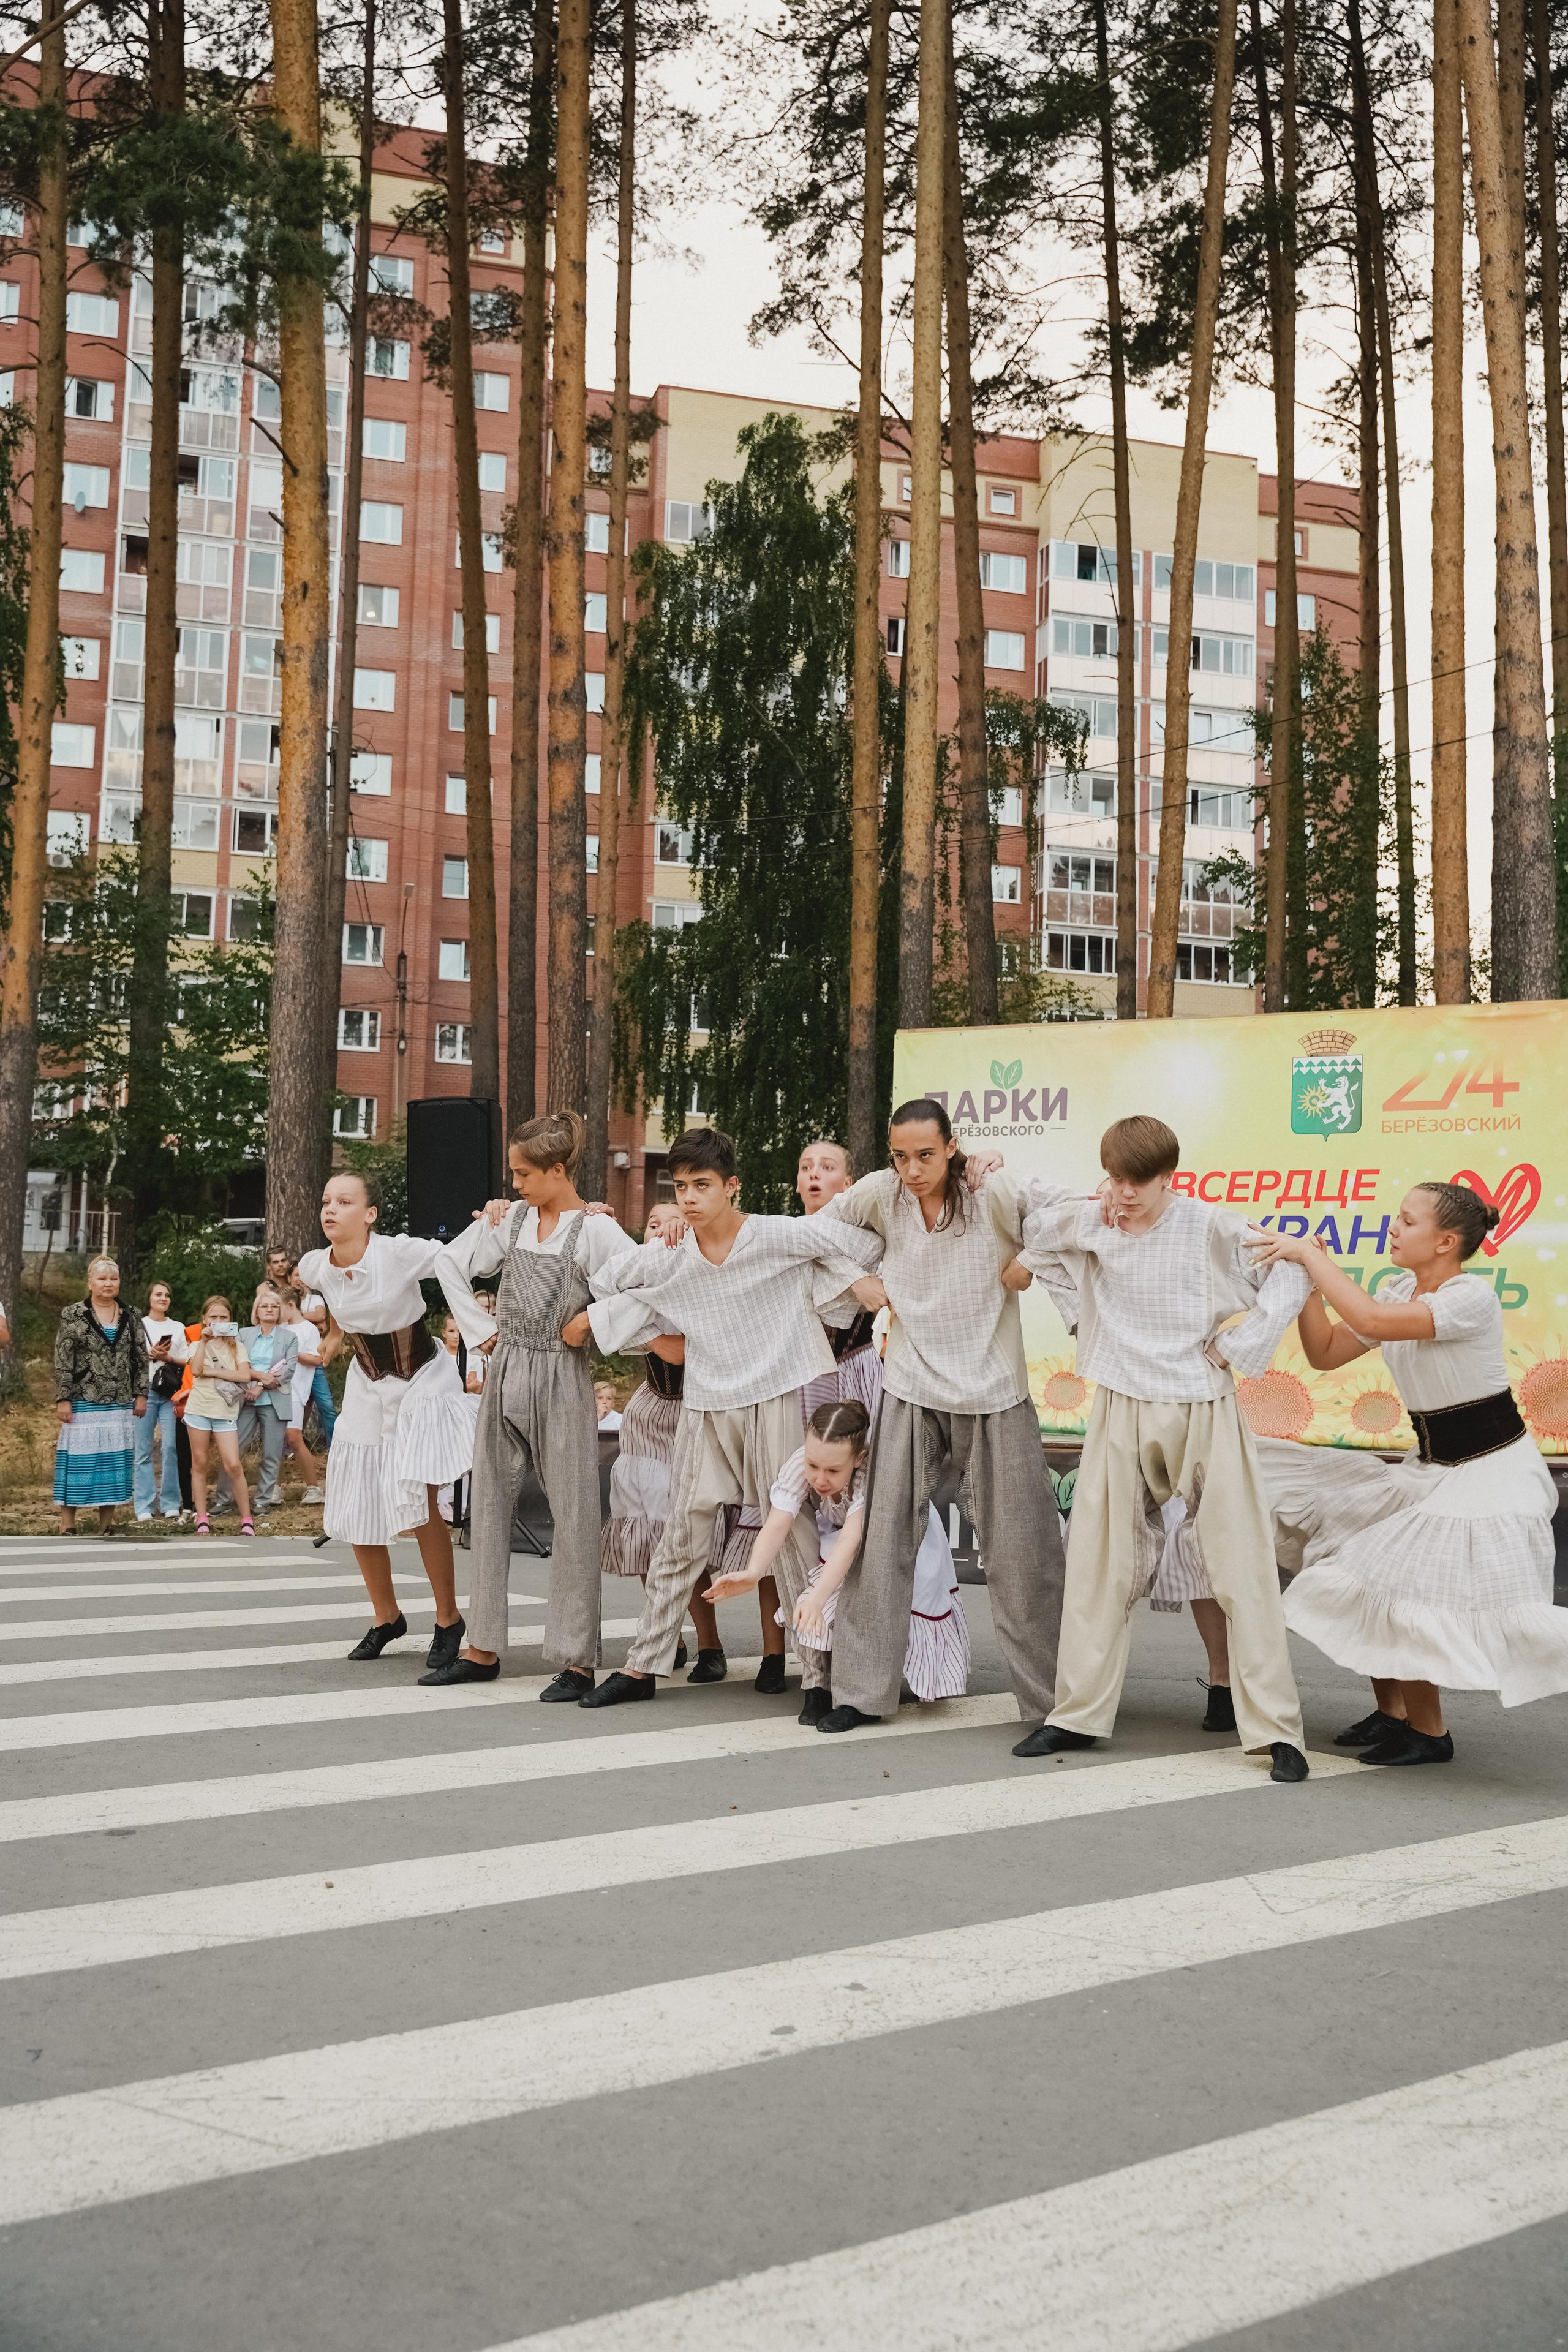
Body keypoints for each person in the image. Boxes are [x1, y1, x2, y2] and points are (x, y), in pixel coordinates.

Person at [1015, 1114, 1310, 1780]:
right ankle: (1075, 1715)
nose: (1124, 1194)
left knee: (1242, 1565)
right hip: (1121, 1399)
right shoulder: (1092, 1218)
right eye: (1116, 1179)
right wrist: (1082, 1317)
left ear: (1168, 1178)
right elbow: (1033, 1235)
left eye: (1137, 1183)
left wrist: (1239, 1344)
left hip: (1202, 1401)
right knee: (1097, 1563)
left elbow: (1294, 1272)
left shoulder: (1210, 1225)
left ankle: (1275, 1731)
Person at [1248, 1181, 1568, 1765]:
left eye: (1407, 1221)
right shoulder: (1400, 1289)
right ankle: (1393, 1712)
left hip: (1488, 1472)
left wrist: (1312, 1258)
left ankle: (1430, 1733)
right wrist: (1309, 1288)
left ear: (1446, 1242)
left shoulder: (1469, 1297)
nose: (1393, 1228)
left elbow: (1369, 1316)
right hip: (1431, 1467)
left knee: (1401, 1583)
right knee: (1357, 1558)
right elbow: (1325, 1352)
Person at [580, 1125, 883, 1710]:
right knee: (682, 1533)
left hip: (776, 1393)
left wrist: (851, 1279)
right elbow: (606, 1280)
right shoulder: (672, 1255)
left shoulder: (774, 1233)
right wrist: (651, 1239)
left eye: (703, 1185)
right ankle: (643, 1665)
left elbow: (853, 1243)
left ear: (731, 1185)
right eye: (681, 1187)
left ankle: (817, 1675)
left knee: (791, 1532)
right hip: (707, 1403)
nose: (690, 1197)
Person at [813, 1099, 1065, 1735]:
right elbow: (816, 1234)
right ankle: (860, 1693)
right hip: (910, 1383)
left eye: (926, 1154)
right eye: (901, 1156)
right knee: (882, 1540)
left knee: (1022, 1553)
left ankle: (1054, 1707)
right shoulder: (881, 1193)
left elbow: (1072, 1213)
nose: (913, 1169)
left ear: (952, 1147)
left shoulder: (991, 1189)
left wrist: (1029, 1260)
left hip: (992, 1389)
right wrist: (856, 1281)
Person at [432, 1109, 641, 1694]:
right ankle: (481, 1648)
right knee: (488, 1508)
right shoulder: (512, 1220)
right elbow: (449, 1261)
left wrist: (592, 1321)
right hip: (505, 1369)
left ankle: (576, 1660)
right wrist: (480, 1330)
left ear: (557, 1170)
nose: (514, 1184)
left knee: (575, 1515)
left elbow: (647, 1285)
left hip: (562, 1373)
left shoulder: (596, 1230)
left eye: (523, 1174)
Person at [298, 1171, 473, 1664]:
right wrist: (335, 1334)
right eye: (326, 1201)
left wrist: (499, 1219)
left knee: (420, 1499)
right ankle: (387, 1617)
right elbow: (323, 1288)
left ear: (370, 1214)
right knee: (356, 1500)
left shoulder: (397, 1253)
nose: (331, 1209)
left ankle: (448, 1619)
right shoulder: (316, 1265)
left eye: (344, 1201)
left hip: (421, 1377)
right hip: (367, 1384)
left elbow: (459, 1255)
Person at [706, 1397, 971, 1702]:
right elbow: (778, 1522)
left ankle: (893, 1683)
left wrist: (817, 1597)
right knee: (834, 1602)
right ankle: (835, 1681)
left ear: (859, 1458)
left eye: (833, 1470)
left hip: (904, 1538)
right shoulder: (802, 1462)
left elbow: (852, 1541)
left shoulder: (871, 1474)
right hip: (844, 1534)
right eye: (813, 1465)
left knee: (899, 1602)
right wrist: (753, 1573)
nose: (820, 1479)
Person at [54, 1256, 148, 1536]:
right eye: (102, 1278)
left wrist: (141, 1394)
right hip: (83, 1398)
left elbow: (140, 1358)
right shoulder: (73, 1313)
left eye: (114, 1279)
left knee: (113, 1460)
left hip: (120, 1401)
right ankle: (68, 1523)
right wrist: (63, 1398)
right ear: (90, 1282)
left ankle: (107, 1524)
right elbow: (63, 1358)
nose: (108, 1283)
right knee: (78, 1460)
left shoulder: (132, 1314)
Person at [185, 1295, 256, 1535]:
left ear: (230, 1320)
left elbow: (245, 1376)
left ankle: (247, 1520)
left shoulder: (237, 1347)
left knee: (233, 1464)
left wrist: (213, 1371)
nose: (218, 1321)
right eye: (213, 1317)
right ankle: (202, 1518)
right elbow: (196, 1370)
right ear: (204, 1319)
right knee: (199, 1463)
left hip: (225, 1411)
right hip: (199, 1409)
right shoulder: (197, 1345)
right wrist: (204, 1343)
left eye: (223, 1317)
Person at [235, 1286, 300, 1512]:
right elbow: (237, 1364)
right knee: (234, 1451)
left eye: (274, 1306)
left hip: (274, 1401)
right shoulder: (243, 1334)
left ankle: (262, 1500)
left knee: (271, 1455)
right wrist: (258, 1379)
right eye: (265, 1306)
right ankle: (224, 1499)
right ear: (257, 1311)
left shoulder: (290, 1338)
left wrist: (260, 1386)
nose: (270, 1309)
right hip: (245, 1399)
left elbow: (289, 1369)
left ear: (280, 1311)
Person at [134, 1278, 188, 1521]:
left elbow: (187, 1359)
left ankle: (170, 1502)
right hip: (144, 1391)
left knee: (170, 1447)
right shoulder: (138, 1325)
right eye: (158, 1294)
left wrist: (168, 1357)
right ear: (149, 1298)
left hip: (169, 1392)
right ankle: (144, 1505)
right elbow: (127, 1359)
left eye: (167, 1295)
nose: (163, 1299)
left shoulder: (178, 1327)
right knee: (142, 1449)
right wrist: (147, 1355)